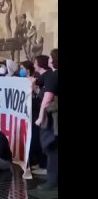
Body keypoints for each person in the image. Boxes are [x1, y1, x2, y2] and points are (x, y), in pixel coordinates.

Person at [35, 49, 58, 191]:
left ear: (53, 60)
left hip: (54, 117)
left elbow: (47, 98)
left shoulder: (53, 76)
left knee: (52, 148)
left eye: (50, 57)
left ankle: (52, 180)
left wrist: (40, 117)